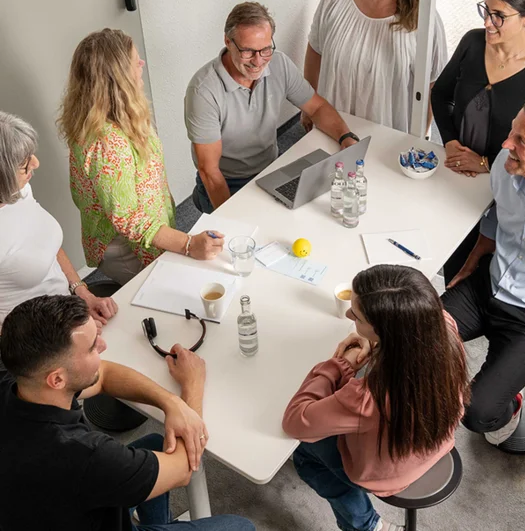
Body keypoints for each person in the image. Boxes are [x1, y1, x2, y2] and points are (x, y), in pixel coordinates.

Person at [0, 294, 255, 531]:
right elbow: (183, 469)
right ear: (57, 379)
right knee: (240, 526)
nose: (103, 345)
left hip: (45, 508)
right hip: (75, 494)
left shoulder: (20, 383)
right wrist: (193, 386)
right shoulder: (85, 455)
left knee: (155, 444)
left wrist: (171, 402)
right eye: (92, 347)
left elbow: (104, 374)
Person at [283, 265, 469, 531]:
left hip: (387, 473)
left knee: (304, 452)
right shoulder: (443, 324)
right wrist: (377, 342)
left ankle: (366, 525)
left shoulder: (368, 397)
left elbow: (296, 421)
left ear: (385, 330)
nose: (349, 314)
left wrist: (340, 365)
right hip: (438, 441)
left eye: (357, 316)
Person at [58, 29, 224, 286]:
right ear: (118, 77)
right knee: (173, 291)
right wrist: (188, 244)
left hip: (150, 230)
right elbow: (127, 219)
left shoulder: (125, 113)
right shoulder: (107, 143)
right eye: (135, 61)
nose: (142, 64)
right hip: (127, 247)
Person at [442, 90, 525, 446]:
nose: (506, 144)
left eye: (522, 141)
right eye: (512, 131)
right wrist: (473, 261)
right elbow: (497, 215)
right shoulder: (507, 166)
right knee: (411, 337)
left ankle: (509, 402)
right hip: (487, 284)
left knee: (478, 413)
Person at [432, 0, 525, 284]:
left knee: (484, 273)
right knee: (448, 261)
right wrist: (449, 142)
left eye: (499, 16)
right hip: (455, 175)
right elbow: (440, 93)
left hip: (505, 192)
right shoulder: (472, 42)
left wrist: (485, 163)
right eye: (486, 10)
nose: (487, 22)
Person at [184, 1, 360, 214]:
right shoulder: (203, 91)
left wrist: (345, 137)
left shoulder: (279, 63)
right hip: (228, 182)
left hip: (271, 169)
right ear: (228, 42)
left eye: (265, 49)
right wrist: (232, 219)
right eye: (248, 51)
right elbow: (209, 171)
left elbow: (316, 108)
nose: (258, 61)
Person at [301, 0, 447, 135]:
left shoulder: (423, 18)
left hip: (389, 133)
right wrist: (308, 106)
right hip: (332, 123)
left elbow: (433, 85)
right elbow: (315, 50)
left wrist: (420, 136)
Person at [0, 110, 116, 327]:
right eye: (24, 162)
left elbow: (48, 245)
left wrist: (82, 292)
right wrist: (64, 334)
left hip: (67, 309)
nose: (36, 163)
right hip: (34, 333)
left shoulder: (20, 191)